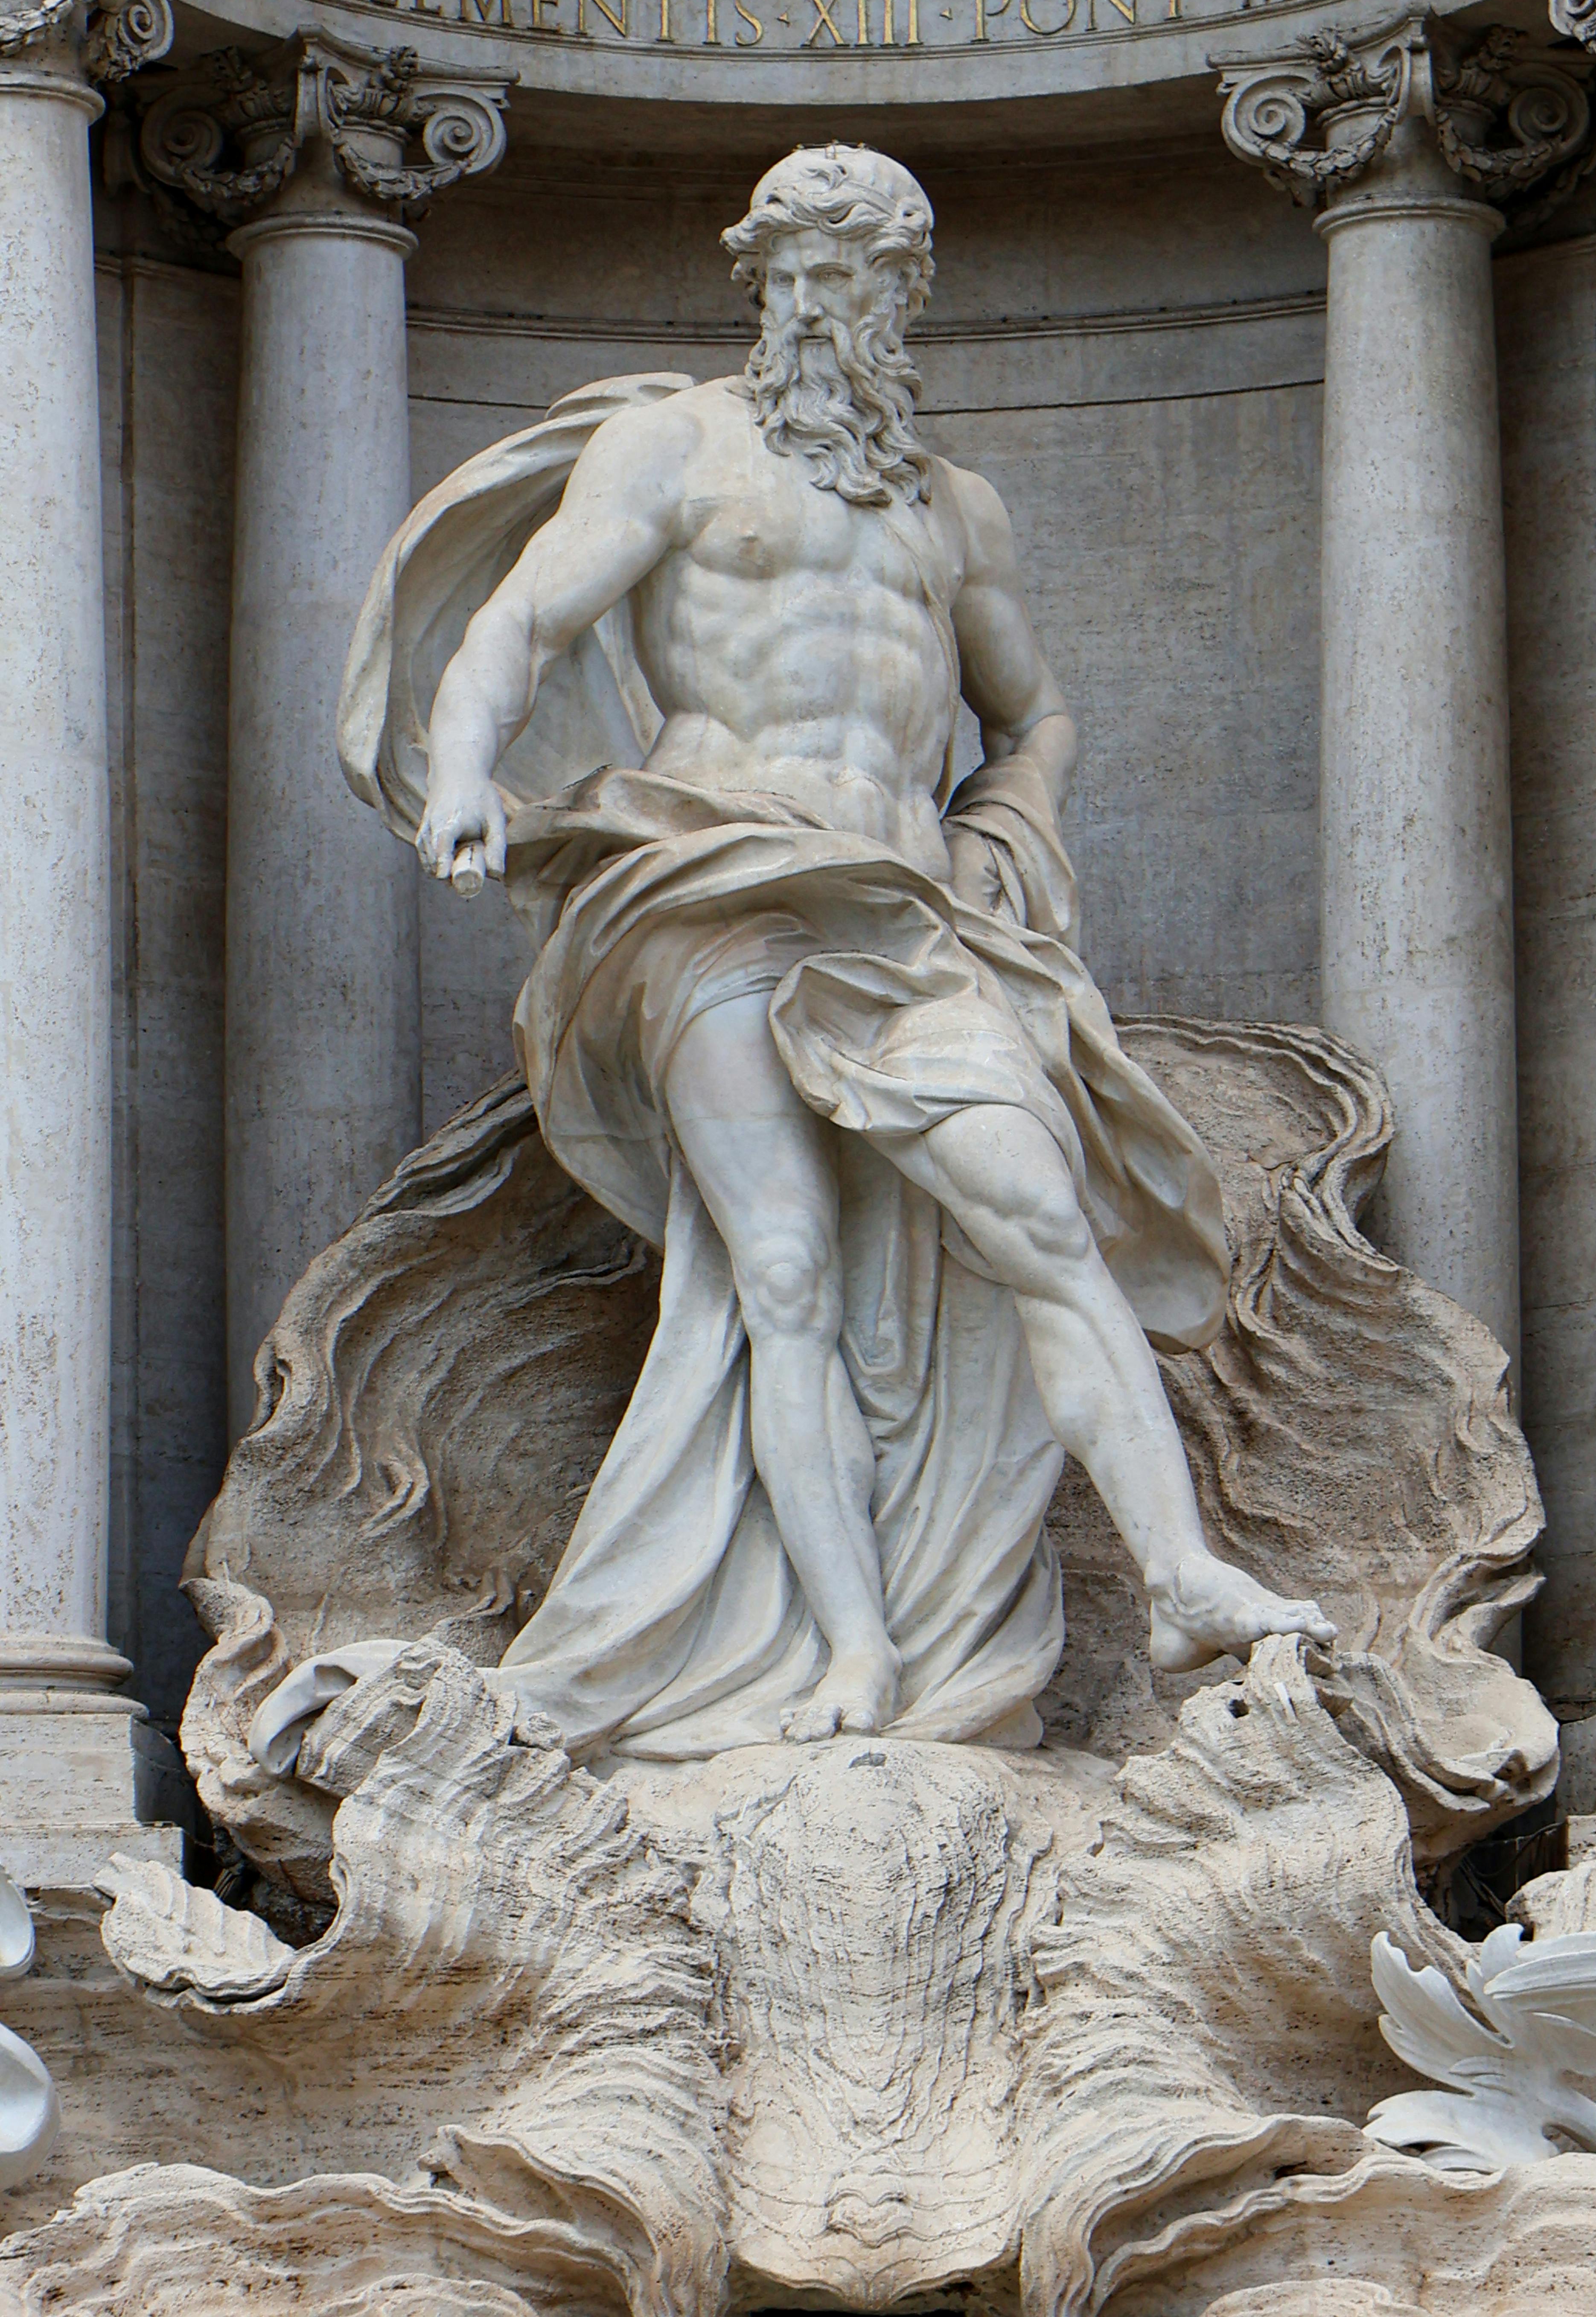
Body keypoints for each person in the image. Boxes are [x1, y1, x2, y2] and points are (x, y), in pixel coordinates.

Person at [382, 143, 1332, 1754]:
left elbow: (1033, 712)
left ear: (911, 296)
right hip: (712, 886)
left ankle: (1181, 1575)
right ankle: (853, 1658)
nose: (838, 304)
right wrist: (467, 766)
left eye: (873, 276)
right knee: (788, 1276)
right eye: (810, 273)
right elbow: (525, 624)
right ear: (761, 281)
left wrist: (1003, 821)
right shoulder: (673, 447)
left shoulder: (954, 510)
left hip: (903, 913)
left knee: (1041, 1216)